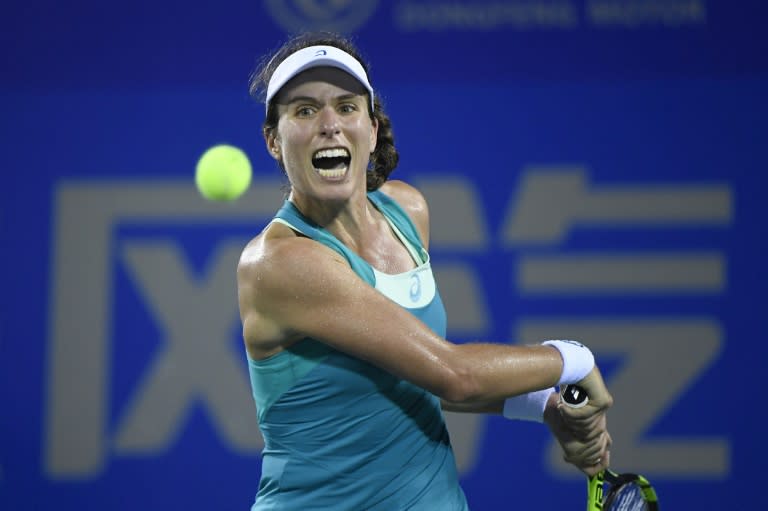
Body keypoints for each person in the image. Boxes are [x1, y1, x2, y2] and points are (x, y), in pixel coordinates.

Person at [237, 31, 613, 510]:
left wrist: (541, 406)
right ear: (274, 140)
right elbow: (453, 375)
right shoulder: (281, 263)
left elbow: (412, 375)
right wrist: (575, 359)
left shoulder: (406, 211)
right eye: (305, 111)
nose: (329, 125)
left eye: (347, 107)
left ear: (371, 130)